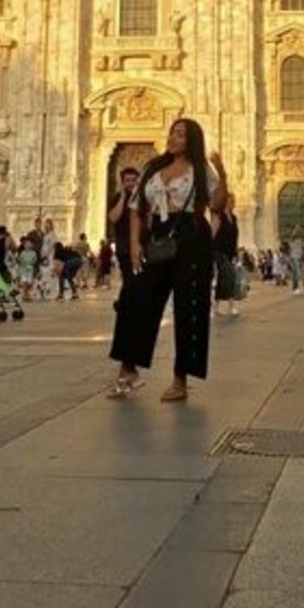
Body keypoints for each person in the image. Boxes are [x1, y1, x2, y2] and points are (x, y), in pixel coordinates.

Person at [107, 116, 225, 400]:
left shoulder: (201, 170)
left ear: (192, 140)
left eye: (181, 134)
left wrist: (222, 171)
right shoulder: (153, 167)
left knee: (189, 307)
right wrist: (135, 244)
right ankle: (129, 368)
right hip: (158, 236)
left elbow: (217, 204)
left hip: (193, 235)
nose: (173, 138)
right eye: (172, 132)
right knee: (135, 297)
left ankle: (180, 379)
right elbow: (136, 208)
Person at [212, 179, 242, 317]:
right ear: (226, 202)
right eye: (231, 201)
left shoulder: (234, 218)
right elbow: (213, 233)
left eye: (234, 201)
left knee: (223, 278)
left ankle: (215, 306)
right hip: (219, 251)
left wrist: (236, 250)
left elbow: (235, 236)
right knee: (228, 276)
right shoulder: (219, 216)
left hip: (230, 251)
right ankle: (232, 305)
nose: (234, 203)